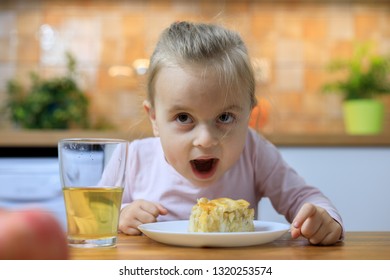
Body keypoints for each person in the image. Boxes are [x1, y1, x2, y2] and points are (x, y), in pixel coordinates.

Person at [119, 21, 343, 245]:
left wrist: (324, 219)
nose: (205, 140)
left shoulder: (254, 152)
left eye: (224, 117)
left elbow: (304, 197)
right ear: (154, 119)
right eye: (184, 118)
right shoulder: (132, 159)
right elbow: (88, 216)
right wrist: (120, 214)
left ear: (249, 116)